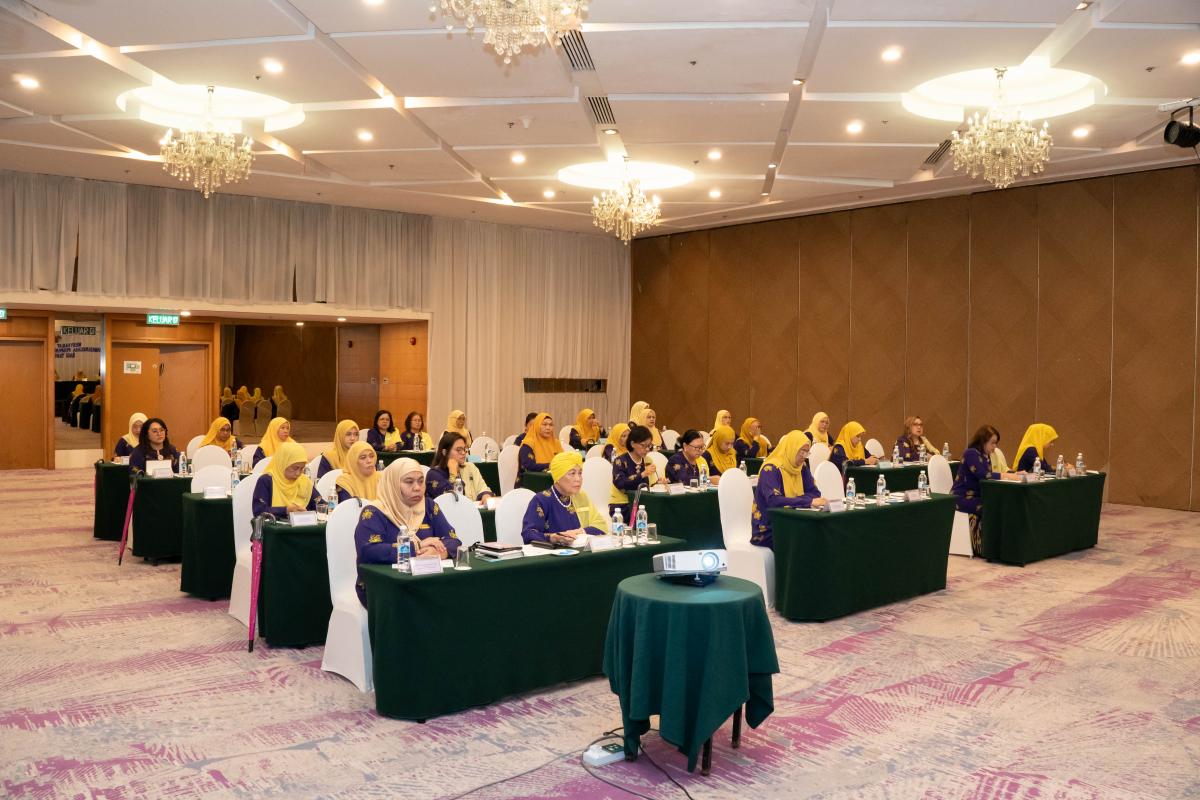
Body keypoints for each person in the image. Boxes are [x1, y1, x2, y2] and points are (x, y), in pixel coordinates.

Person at [353, 458, 459, 604]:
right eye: (409, 482)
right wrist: (416, 547)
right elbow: (368, 551)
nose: (417, 488)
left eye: (421, 481)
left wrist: (439, 552)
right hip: (386, 587)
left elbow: (454, 541)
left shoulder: (429, 506)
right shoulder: (374, 512)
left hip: (428, 581)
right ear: (393, 484)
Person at [750, 430, 826, 549]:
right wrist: (807, 501)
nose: (804, 456)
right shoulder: (770, 469)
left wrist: (792, 501)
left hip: (793, 521)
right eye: (802, 451)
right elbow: (774, 501)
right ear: (792, 448)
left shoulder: (801, 467)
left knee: (821, 534)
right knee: (807, 540)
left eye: (807, 452)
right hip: (769, 528)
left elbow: (815, 493)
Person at [522, 451, 610, 544]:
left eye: (580, 473)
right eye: (572, 473)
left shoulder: (581, 496)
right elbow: (528, 534)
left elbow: (601, 526)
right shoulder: (542, 500)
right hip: (553, 552)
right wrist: (553, 538)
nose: (578, 479)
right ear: (558, 477)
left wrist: (579, 532)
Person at [952, 424, 1003, 557]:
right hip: (961, 497)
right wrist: (1007, 476)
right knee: (990, 506)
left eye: (996, 443)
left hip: (976, 496)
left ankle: (995, 546)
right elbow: (983, 475)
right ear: (982, 441)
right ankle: (983, 547)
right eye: (992, 443)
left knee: (999, 504)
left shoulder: (985, 456)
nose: (994, 447)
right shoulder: (971, 453)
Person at [252, 440, 320, 517]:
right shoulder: (266, 481)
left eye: (302, 469)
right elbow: (259, 511)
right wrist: (285, 510)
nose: (298, 473)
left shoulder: (303, 481)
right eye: (295, 468)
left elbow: (320, 504)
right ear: (283, 464)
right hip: (274, 524)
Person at [611, 424, 664, 518]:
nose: (647, 449)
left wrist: (658, 483)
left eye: (649, 446)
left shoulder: (648, 460)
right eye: (643, 445)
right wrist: (642, 474)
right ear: (632, 444)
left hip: (643, 502)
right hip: (623, 505)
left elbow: (649, 486)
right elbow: (621, 484)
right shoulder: (620, 461)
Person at [426, 432, 493, 502]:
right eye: (458, 450)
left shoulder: (470, 467)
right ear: (445, 452)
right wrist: (453, 473)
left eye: (464, 449)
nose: (463, 453)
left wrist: (486, 495)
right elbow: (452, 499)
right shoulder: (433, 474)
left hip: (474, 508)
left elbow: (483, 488)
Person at [517, 412, 562, 486]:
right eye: (544, 424)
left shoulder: (556, 443)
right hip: (531, 482)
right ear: (537, 425)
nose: (548, 428)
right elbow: (528, 466)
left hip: (554, 480)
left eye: (551, 425)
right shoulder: (529, 443)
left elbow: (563, 461)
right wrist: (550, 465)